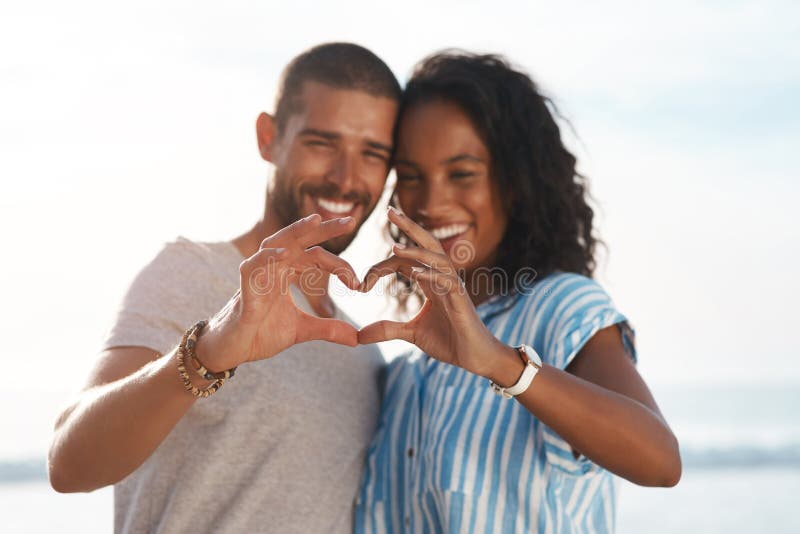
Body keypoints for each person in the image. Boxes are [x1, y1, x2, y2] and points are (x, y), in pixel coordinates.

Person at [47, 42, 400, 533]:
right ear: (269, 137)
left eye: (372, 153)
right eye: (322, 143)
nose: (345, 177)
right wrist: (207, 353)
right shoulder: (190, 272)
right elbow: (69, 464)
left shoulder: (364, 353)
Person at [354, 52, 681, 533]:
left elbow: (660, 461)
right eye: (412, 177)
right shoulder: (404, 376)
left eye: (462, 173)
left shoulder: (562, 308)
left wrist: (497, 361)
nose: (431, 201)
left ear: (516, 182)